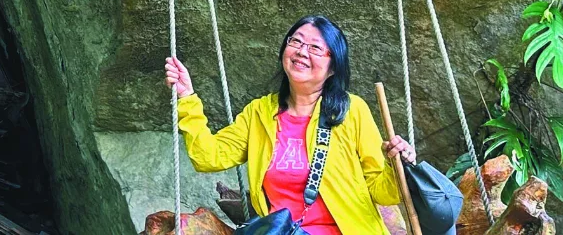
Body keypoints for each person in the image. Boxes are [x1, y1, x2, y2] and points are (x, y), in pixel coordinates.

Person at [164, 15, 415, 235]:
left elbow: (382, 192)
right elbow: (207, 157)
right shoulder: (260, 113)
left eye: (316, 48)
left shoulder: (352, 111)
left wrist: (397, 166)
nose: (302, 51)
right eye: (295, 41)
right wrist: (187, 98)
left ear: (333, 67)